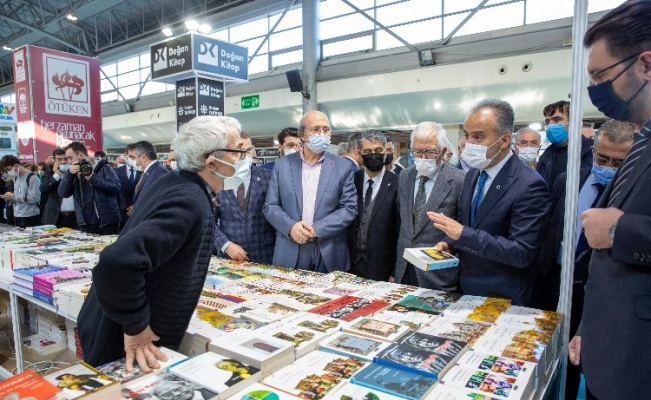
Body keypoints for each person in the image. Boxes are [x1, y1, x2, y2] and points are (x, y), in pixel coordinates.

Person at [77, 116, 244, 370]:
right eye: (237, 151)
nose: (242, 157)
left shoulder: (176, 182)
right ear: (212, 160)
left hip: (114, 320)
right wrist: (137, 327)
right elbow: (115, 262)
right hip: (120, 340)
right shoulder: (188, 201)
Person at [569, 3, 651, 399]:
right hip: (613, 347)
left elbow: (613, 233)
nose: (594, 90)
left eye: (601, 75)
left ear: (646, 65)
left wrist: (620, 230)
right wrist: (591, 329)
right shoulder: (644, 140)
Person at [538, 120, 634, 399]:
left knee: (587, 362)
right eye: (602, 158)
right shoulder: (568, 180)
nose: (607, 166)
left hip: (602, 295)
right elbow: (550, 229)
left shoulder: (634, 195)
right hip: (557, 281)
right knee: (550, 358)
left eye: (618, 161)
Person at [430, 99, 550, 307]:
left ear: (504, 141)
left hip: (506, 296)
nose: (468, 143)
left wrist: (462, 234)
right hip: (469, 289)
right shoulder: (473, 173)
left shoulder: (529, 185)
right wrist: (449, 243)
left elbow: (521, 252)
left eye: (478, 136)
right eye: (467, 135)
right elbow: (469, 220)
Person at [263, 110, 357, 273]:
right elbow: (270, 206)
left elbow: (349, 208)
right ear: (302, 135)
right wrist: (291, 227)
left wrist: (317, 229)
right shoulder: (282, 165)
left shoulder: (343, 167)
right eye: (315, 129)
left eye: (326, 130)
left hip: (328, 248)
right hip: (291, 247)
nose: (322, 134)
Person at [394, 122, 465, 290]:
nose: (423, 157)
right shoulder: (405, 176)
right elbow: (403, 222)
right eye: (418, 151)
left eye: (430, 151)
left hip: (437, 273)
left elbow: (463, 225)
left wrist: (447, 244)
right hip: (404, 268)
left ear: (442, 151)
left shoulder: (459, 180)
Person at [214, 132, 275, 264]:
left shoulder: (268, 177)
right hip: (230, 257)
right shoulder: (217, 180)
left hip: (264, 254)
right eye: (239, 152)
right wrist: (226, 245)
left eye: (248, 150)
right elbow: (207, 220)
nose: (245, 155)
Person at [347, 130, 399, 281]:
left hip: (382, 265)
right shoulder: (351, 181)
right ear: (359, 152)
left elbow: (401, 230)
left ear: (385, 151)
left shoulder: (397, 183)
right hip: (350, 262)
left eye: (378, 150)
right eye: (368, 151)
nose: (374, 155)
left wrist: (395, 270)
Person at [58, 142, 121, 235]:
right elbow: (62, 193)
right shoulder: (73, 173)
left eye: (70, 158)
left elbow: (116, 188)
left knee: (109, 249)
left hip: (107, 222)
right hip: (85, 223)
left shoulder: (103, 167)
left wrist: (92, 177)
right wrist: (69, 175)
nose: (69, 162)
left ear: (80, 155)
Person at [536, 100, 593, 188]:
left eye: (557, 120)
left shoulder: (592, 151)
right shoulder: (545, 157)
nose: (550, 125)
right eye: (547, 122)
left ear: (574, 122)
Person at [0, 155, 41, 228]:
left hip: (30, 216)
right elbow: (18, 195)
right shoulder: (16, 178)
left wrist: (13, 196)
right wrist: (10, 198)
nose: (8, 172)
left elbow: (34, 198)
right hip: (17, 215)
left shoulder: (32, 178)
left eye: (8, 169)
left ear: (16, 165)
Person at [40, 148, 77, 229]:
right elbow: (43, 189)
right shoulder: (49, 173)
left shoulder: (76, 173)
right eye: (59, 159)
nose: (63, 162)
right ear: (54, 160)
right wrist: (57, 175)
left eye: (65, 159)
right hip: (55, 217)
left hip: (74, 217)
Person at [129, 140, 169, 211]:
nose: (131, 160)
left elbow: (156, 203)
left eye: (133, 157)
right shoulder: (149, 171)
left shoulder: (159, 173)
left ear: (143, 158)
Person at [115, 145, 142, 230]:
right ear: (125, 155)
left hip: (138, 212)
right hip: (121, 212)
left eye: (134, 157)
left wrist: (137, 205)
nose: (132, 159)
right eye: (130, 156)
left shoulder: (143, 172)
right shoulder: (116, 172)